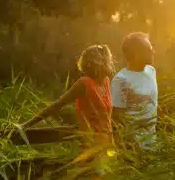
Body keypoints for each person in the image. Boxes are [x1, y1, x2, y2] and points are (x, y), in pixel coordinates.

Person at [20, 44, 115, 178]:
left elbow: (107, 116)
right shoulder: (84, 83)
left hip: (107, 145)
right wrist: (26, 125)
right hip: (90, 147)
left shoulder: (106, 82)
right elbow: (57, 105)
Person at [111, 32, 159, 151]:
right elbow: (116, 118)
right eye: (149, 49)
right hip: (133, 148)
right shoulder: (120, 80)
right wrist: (131, 144)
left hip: (153, 142)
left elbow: (152, 101)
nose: (153, 52)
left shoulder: (151, 71)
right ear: (136, 54)